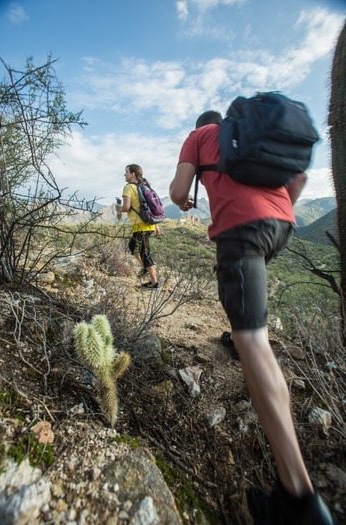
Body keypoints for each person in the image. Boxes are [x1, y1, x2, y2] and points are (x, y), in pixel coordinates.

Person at [169, 110, 334, 524]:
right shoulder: (244, 134)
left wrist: (186, 198)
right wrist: (275, 210)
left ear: (200, 125)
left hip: (240, 230)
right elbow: (298, 179)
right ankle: (243, 331)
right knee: (248, 323)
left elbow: (176, 191)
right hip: (280, 224)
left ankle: (299, 500)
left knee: (253, 342)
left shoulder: (198, 138)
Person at [116, 164, 159, 290]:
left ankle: (154, 283)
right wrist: (155, 225)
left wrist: (118, 208)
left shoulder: (128, 187)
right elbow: (150, 207)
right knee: (133, 246)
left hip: (140, 226)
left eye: (126, 172)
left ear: (133, 174)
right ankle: (145, 269)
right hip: (148, 224)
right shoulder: (144, 186)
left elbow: (126, 207)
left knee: (145, 253)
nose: (125, 175)